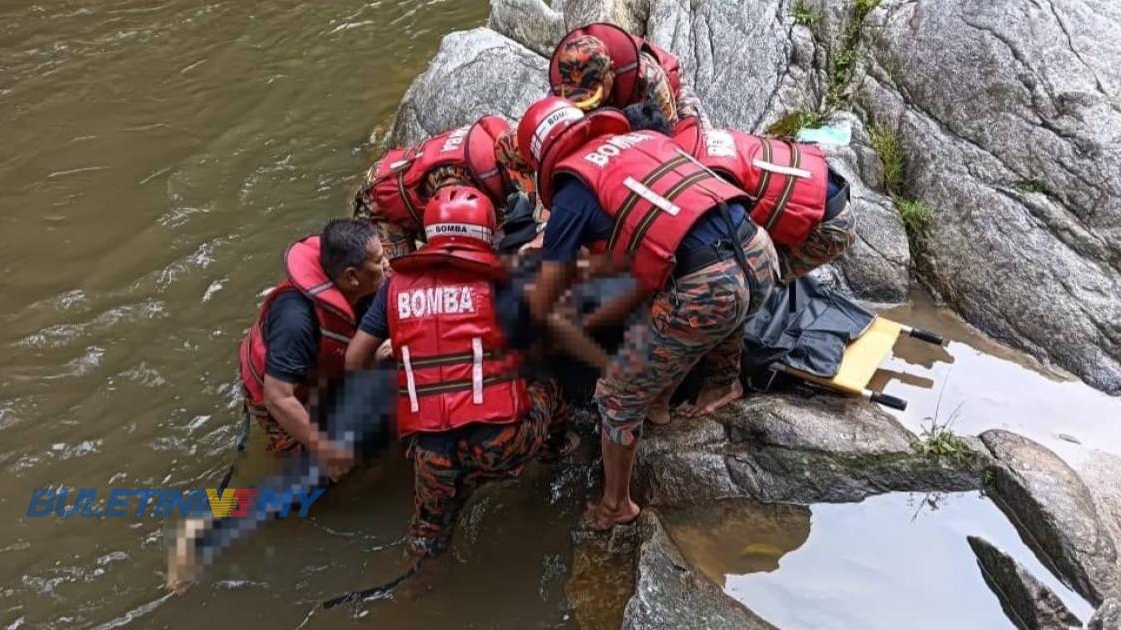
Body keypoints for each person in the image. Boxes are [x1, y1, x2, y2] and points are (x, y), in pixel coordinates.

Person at [515, 97, 776, 530]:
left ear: (541, 156)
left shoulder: (572, 190)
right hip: (758, 252)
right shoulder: (640, 140)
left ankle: (616, 505)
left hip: (706, 287)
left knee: (615, 397)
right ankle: (669, 399)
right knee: (690, 319)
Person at [344, 186, 602, 557]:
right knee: (548, 383)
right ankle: (555, 448)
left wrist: (408, 355)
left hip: (430, 451)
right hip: (500, 445)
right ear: (487, 233)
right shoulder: (509, 283)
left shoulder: (394, 288)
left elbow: (354, 361)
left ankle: (419, 584)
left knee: (427, 538)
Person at [238, 218, 385, 479]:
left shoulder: (363, 286)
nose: (386, 265)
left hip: (320, 364)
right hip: (278, 389)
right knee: (323, 473)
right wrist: (327, 449)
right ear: (352, 276)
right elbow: (278, 397)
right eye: (379, 261)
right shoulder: (296, 322)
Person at [671, 118, 857, 281]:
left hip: (830, 226)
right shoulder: (702, 135)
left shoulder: (708, 175)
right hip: (825, 182)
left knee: (762, 278)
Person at [352, 116, 538, 260]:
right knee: (391, 280)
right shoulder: (456, 182)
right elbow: (452, 241)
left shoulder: (491, 143)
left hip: (402, 171)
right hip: (382, 201)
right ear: (506, 167)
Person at [549, 24, 703, 131]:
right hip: (619, 113)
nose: (589, 104)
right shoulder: (567, 85)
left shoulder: (648, 77)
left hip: (671, 98)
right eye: (579, 94)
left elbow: (669, 127)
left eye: (594, 91)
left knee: (692, 135)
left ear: (612, 70)